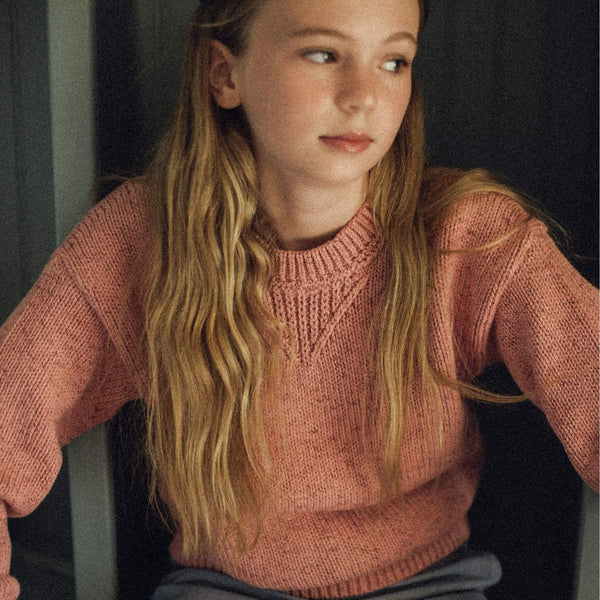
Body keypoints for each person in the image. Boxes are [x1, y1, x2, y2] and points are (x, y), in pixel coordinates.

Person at [0, 1, 597, 599]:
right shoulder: (141, 241)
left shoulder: (469, 237)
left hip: (430, 582)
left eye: (394, 61)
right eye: (323, 53)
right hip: (223, 586)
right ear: (225, 75)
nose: (364, 96)